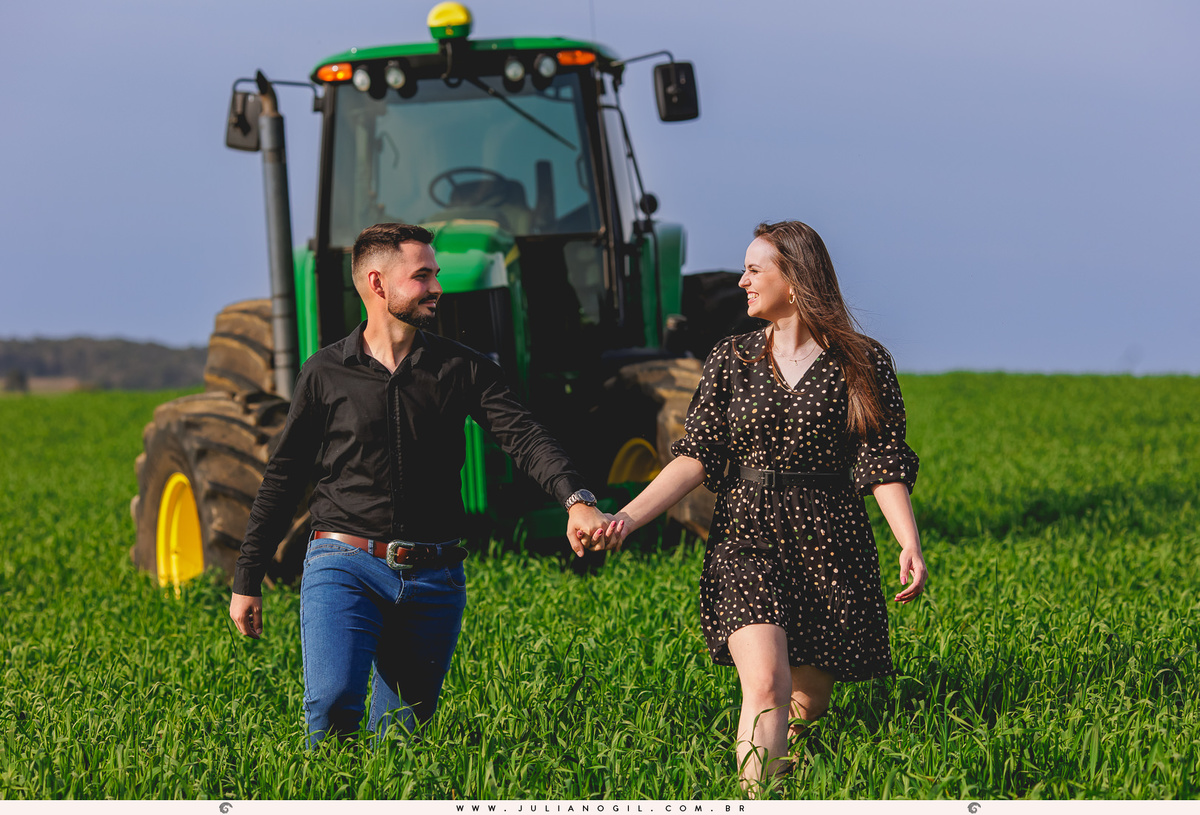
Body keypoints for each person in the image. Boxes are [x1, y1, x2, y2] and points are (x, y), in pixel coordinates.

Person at [228, 222, 615, 747]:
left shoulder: (462, 367)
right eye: (423, 276)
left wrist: (576, 499)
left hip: (434, 575)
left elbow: (524, 437)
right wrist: (248, 575)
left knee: (402, 740)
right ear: (379, 284)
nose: (437, 287)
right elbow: (285, 475)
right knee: (333, 700)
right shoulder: (326, 373)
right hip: (344, 562)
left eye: (435, 275)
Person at [598, 220, 928, 791]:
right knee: (767, 686)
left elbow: (881, 461)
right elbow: (696, 455)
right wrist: (626, 516)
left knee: (806, 702)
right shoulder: (732, 358)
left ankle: (785, 780)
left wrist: (908, 542)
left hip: (831, 537)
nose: (742, 280)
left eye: (755, 270)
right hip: (745, 533)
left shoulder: (861, 362)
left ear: (795, 279)